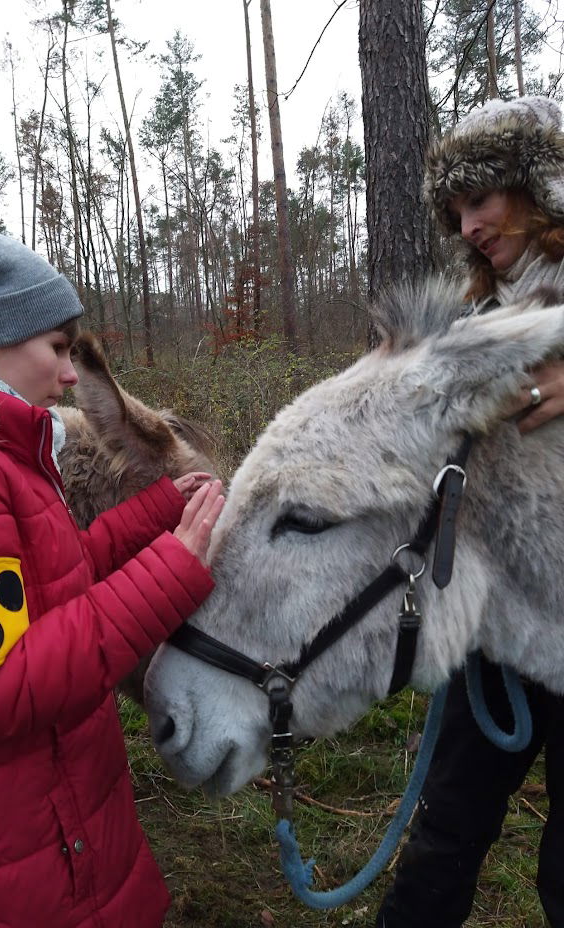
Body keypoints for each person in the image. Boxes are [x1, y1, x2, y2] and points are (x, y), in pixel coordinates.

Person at [0, 224, 225, 928]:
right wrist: (170, 574)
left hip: (45, 821)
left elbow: (52, 585)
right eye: (58, 348)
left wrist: (157, 511)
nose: (70, 374)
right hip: (2, 861)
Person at [375, 96, 564, 928]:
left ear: (540, 184)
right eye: (456, 211)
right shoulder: (479, 317)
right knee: (448, 826)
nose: (469, 225)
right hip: (502, 626)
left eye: (481, 199)